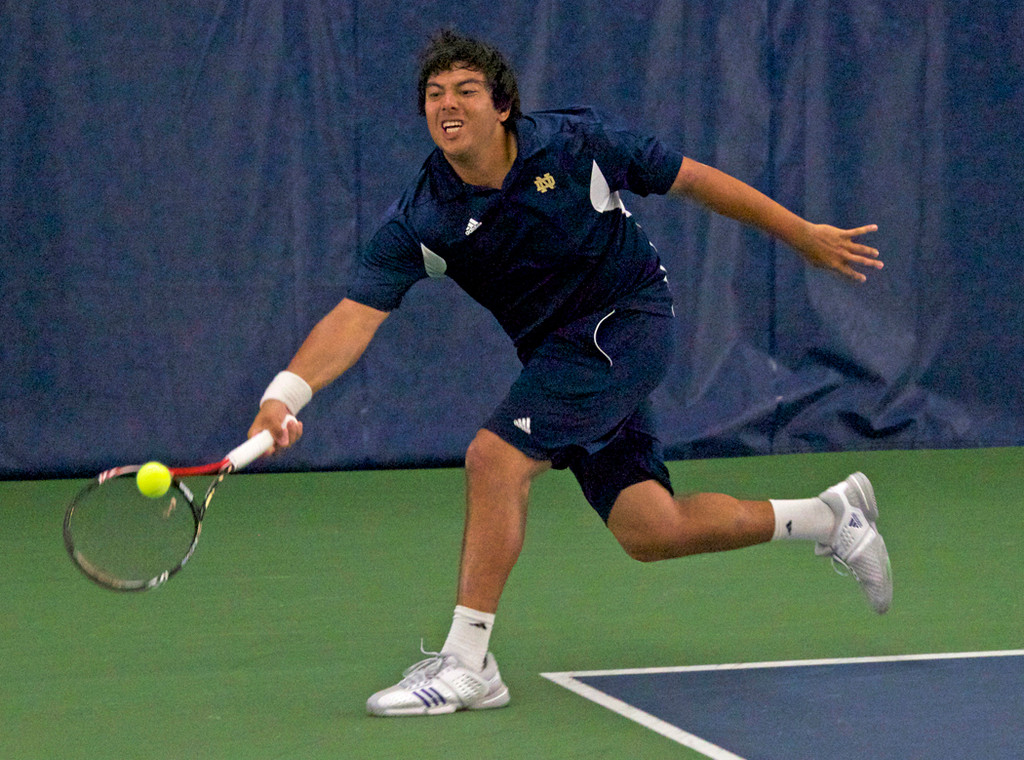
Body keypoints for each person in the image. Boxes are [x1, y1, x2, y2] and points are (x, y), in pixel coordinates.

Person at [248, 30, 892, 717]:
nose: (447, 104)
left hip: (628, 321)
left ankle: (469, 663)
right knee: (652, 530)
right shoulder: (424, 216)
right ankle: (828, 517)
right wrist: (283, 395)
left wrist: (802, 234)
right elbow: (354, 316)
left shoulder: (576, 145)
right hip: (558, 353)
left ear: (502, 107)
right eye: (434, 95)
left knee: (494, 458)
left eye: (465, 91)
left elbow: (695, 179)